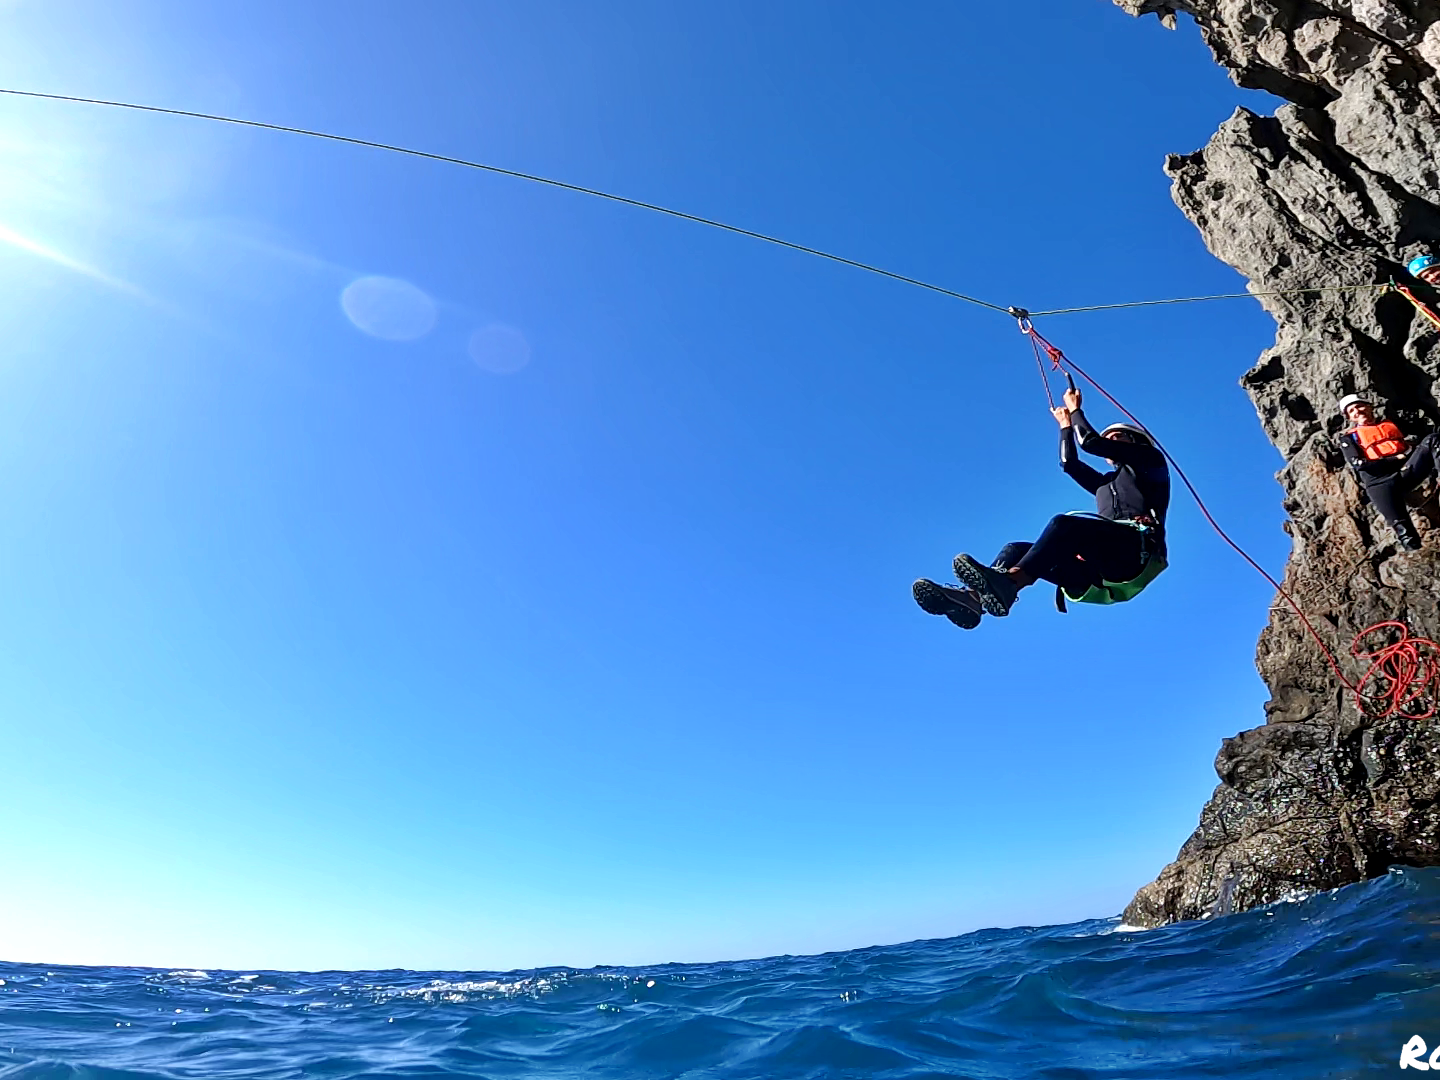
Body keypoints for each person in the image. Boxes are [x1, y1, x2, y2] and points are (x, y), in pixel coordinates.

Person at [912, 387, 1170, 625]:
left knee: (1064, 525)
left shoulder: (1151, 463)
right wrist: (1065, 425)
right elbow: (1070, 464)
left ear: (1136, 442)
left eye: (1117, 436)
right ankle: (972, 599)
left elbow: (1090, 442)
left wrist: (1075, 408)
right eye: (1109, 437)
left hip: (1133, 553)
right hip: (1094, 570)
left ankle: (1010, 583)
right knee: (1015, 549)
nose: (1110, 440)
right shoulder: (1105, 483)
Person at [1336, 393, 1437, 551]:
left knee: (1433, 440)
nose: (1357, 411)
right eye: (1352, 410)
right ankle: (1418, 557)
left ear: (1369, 407)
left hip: (1405, 472)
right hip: (1379, 483)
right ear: (1350, 417)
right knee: (1403, 529)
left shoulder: (1391, 424)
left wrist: (1406, 453)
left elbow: (1414, 444)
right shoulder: (1349, 438)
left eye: (1360, 406)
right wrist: (1397, 457)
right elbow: (1359, 463)